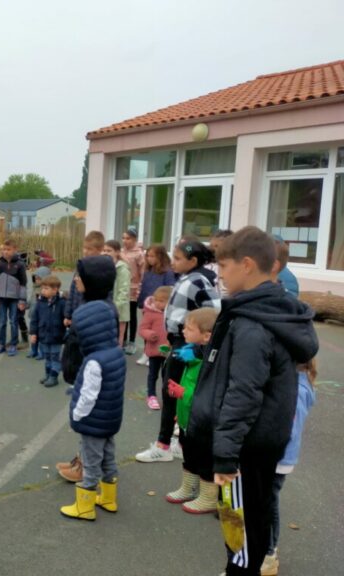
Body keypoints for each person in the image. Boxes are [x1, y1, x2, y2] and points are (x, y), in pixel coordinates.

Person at [187, 226, 318, 576]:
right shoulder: (255, 312)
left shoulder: (253, 324)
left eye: (223, 266)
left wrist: (226, 456)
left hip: (246, 448)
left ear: (246, 265)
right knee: (248, 528)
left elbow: (243, 393)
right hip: (252, 444)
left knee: (243, 533)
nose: (219, 274)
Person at [135, 239, 220, 464]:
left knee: (172, 392)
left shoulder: (198, 280)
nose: (174, 261)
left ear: (193, 261)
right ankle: (180, 443)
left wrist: (196, 345)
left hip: (186, 344)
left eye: (179, 258)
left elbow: (214, 312)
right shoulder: (186, 278)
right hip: (178, 341)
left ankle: (163, 445)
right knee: (173, 392)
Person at [59, 256, 125, 521]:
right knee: (108, 458)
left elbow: (88, 395)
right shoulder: (115, 353)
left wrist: (77, 415)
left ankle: (84, 505)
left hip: (92, 421)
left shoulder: (93, 362)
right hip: (110, 420)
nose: (76, 280)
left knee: (91, 459)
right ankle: (109, 498)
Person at [261, 359, 316, 576]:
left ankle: (269, 554)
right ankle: (264, 548)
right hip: (275, 456)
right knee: (264, 502)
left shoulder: (296, 389)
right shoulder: (294, 384)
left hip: (277, 458)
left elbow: (288, 428)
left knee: (268, 504)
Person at [165, 307, 220, 514]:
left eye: (189, 328)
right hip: (188, 418)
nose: (183, 331)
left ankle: (208, 497)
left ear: (206, 336)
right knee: (189, 454)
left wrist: (183, 393)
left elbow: (206, 394)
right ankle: (189, 487)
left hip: (202, 422)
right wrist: (180, 411)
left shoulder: (211, 362)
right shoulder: (194, 355)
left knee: (204, 458)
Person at [136, 244, 177, 366]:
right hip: (148, 306)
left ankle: (156, 354)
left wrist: (164, 303)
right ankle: (146, 353)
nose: (149, 259)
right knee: (146, 330)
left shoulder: (167, 272)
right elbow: (144, 287)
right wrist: (141, 301)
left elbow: (170, 289)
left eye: (152, 256)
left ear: (160, 257)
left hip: (160, 308)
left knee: (159, 332)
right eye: (148, 256)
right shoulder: (148, 271)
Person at [0, 239, 27, 356]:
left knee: (13, 321)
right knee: (2, 322)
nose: (5, 252)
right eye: (4, 249)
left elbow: (23, 284)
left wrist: (22, 300)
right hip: (1, 299)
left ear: (15, 250)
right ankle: (1, 343)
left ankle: (13, 344)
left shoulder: (20, 265)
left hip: (15, 299)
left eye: (8, 249)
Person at [137, 285, 172, 410]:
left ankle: (167, 396)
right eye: (156, 300)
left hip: (168, 351)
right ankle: (151, 395)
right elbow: (142, 329)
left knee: (167, 375)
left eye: (161, 301)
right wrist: (149, 334)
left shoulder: (173, 314)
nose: (157, 303)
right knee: (153, 374)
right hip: (154, 350)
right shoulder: (150, 314)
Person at [29, 275, 66, 387]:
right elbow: (34, 319)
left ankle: (54, 377)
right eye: (42, 288)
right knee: (47, 357)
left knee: (55, 357)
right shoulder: (40, 302)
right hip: (44, 335)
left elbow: (66, 317)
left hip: (56, 336)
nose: (43, 291)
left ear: (55, 289)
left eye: (46, 288)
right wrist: (33, 333)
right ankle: (48, 374)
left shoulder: (61, 303)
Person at [64, 231, 105, 327]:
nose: (85, 251)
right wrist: (68, 315)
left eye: (89, 249)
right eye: (84, 248)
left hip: (91, 316)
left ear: (100, 250)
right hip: (76, 313)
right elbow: (72, 291)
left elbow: (102, 295)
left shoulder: (103, 269)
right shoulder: (80, 266)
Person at [121, 227, 145, 355]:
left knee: (131, 315)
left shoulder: (139, 254)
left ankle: (131, 342)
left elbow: (143, 273)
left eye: (128, 238)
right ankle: (123, 340)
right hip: (122, 288)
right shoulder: (121, 252)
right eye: (123, 238)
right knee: (122, 315)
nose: (125, 241)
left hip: (133, 289)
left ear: (134, 239)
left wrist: (140, 288)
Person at [103, 240, 131, 347]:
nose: (106, 253)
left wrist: (114, 308)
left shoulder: (122, 269)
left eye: (109, 250)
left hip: (119, 311)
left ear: (117, 252)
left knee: (117, 339)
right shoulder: (105, 266)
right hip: (106, 307)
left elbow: (124, 291)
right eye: (104, 250)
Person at [27, 266, 51, 359]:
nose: (37, 280)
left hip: (42, 317)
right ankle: (33, 350)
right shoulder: (34, 288)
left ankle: (42, 351)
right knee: (33, 333)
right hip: (33, 316)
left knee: (41, 335)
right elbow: (31, 300)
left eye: (39, 279)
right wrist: (26, 305)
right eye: (36, 278)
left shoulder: (46, 290)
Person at [207, 229, 234, 296]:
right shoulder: (209, 268)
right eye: (211, 246)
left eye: (217, 246)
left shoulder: (237, 268)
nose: (213, 250)